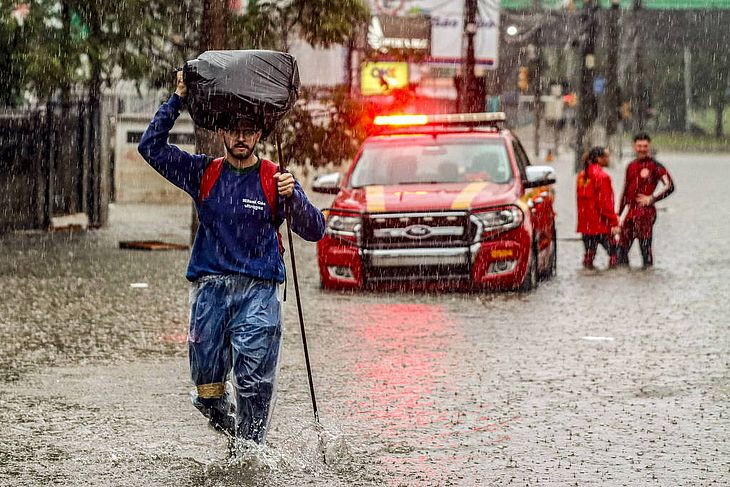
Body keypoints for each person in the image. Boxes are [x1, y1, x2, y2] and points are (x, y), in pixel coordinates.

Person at [137, 72, 325, 446]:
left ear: (259, 136)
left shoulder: (276, 178)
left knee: (254, 383)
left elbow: (315, 230)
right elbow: (151, 147)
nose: (242, 138)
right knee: (207, 392)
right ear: (222, 133)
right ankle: (234, 432)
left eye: (250, 131)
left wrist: (296, 198)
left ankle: (248, 455)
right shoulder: (202, 172)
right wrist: (177, 99)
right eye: (235, 130)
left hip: (259, 293)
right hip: (209, 294)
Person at [616, 133, 674, 268]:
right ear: (634, 147)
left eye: (645, 146)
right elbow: (625, 191)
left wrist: (652, 198)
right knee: (620, 250)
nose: (642, 149)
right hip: (630, 213)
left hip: (645, 214)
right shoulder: (631, 165)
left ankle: (647, 276)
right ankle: (623, 280)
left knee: (645, 248)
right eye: (639, 146)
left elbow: (669, 185)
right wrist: (618, 215)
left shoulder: (655, 165)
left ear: (649, 146)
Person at [576, 146, 620, 269]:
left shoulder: (582, 175)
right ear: (598, 159)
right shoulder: (602, 177)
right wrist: (614, 222)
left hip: (586, 225)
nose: (608, 159)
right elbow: (605, 203)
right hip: (601, 225)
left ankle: (588, 279)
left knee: (589, 256)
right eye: (606, 156)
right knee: (614, 255)